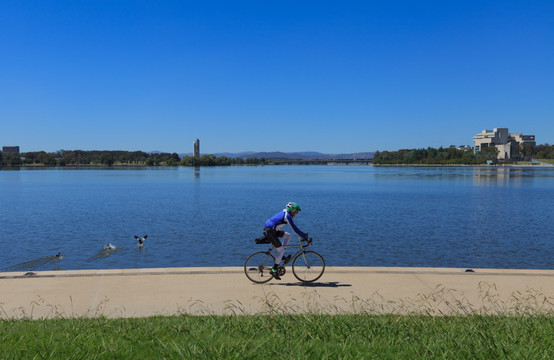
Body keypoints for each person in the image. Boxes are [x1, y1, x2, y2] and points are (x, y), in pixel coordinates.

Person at [263, 202, 309, 280]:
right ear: (292, 210)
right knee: (281, 251)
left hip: (272, 230)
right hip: (270, 232)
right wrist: (305, 237)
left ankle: (282, 257)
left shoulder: (285, 212)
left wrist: (276, 228)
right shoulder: (287, 216)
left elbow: (275, 221)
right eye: (296, 212)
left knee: (288, 236)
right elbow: (295, 229)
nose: (297, 214)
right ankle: (274, 270)